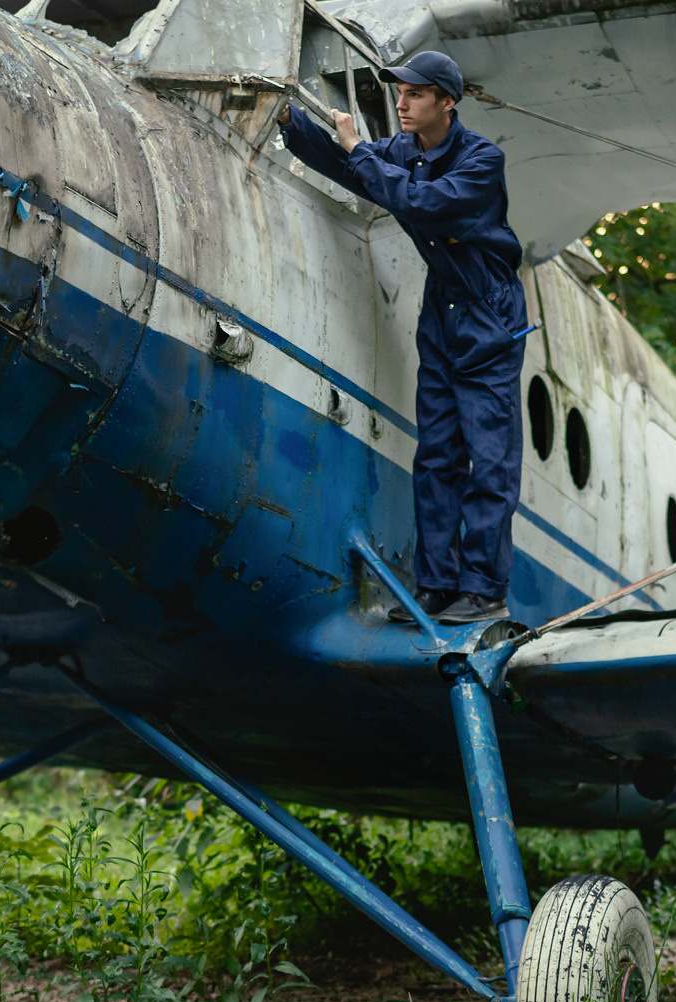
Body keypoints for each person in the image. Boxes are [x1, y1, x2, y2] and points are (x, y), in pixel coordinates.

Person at [279, 49, 529, 624]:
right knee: (437, 453)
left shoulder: (481, 160)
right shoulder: (404, 151)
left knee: (488, 458)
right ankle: (438, 587)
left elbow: (424, 203)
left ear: (447, 101)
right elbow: (352, 167)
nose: (401, 101)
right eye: (400, 92)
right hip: (441, 311)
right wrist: (296, 126)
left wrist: (359, 150)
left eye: (415, 93)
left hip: (488, 314)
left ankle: (485, 589)